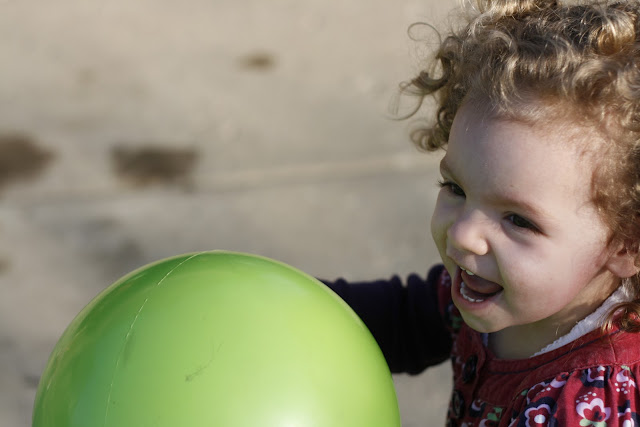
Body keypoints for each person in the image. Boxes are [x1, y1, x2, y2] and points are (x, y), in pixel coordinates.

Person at [323, 0, 640, 425]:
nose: (463, 235)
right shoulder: (486, 286)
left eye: (518, 220)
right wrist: (281, 301)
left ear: (626, 244)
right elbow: (399, 320)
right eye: (456, 188)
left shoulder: (586, 405)